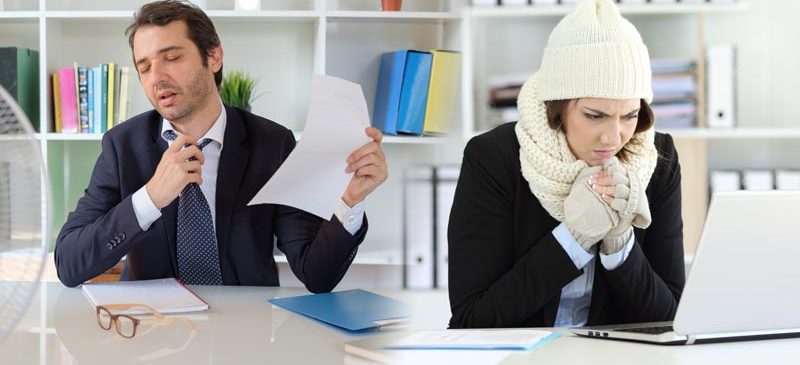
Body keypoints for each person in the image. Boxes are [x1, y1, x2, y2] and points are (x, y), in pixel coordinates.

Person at [54, 0, 388, 292]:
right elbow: (69, 263)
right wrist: (151, 197)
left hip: (243, 334)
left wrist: (350, 202)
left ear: (213, 57)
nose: (156, 77)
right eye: (144, 67)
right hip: (152, 334)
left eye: (170, 57)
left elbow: (317, 275)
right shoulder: (122, 146)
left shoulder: (273, 144)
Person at [448, 0, 685, 328]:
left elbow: (669, 318)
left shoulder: (658, 159)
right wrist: (575, 236)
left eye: (629, 116)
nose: (613, 138)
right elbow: (473, 319)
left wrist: (620, 242)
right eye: (594, 115)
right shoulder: (493, 158)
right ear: (556, 108)